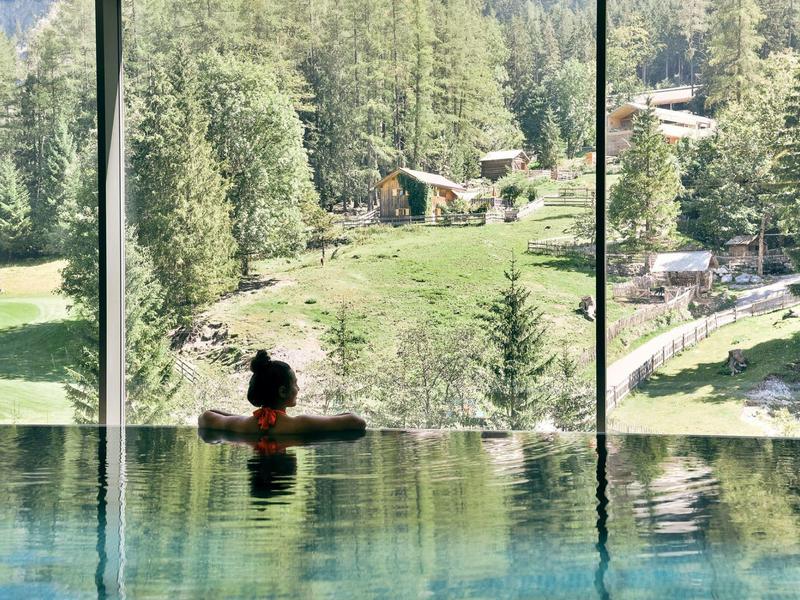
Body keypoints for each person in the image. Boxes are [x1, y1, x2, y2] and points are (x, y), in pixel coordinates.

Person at [198, 350, 367, 435]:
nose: (298, 389)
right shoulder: (300, 424)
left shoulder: (243, 425)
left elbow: (205, 417)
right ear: (283, 391)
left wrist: (240, 417)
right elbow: (357, 422)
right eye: (295, 384)